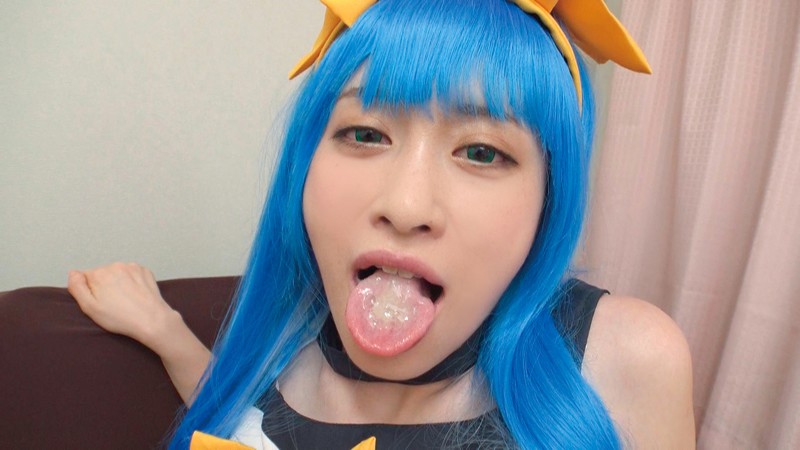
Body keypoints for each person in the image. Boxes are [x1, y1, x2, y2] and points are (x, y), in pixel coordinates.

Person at [68, 0, 695, 448]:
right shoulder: (286, 340)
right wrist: (166, 332)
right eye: (365, 134)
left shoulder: (625, 358)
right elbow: (245, 423)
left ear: (548, 201)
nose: (407, 205)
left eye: (482, 152)